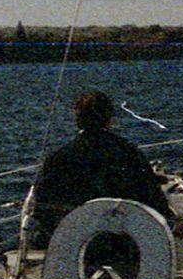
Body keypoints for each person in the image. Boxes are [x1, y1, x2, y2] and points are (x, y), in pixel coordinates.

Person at [28, 90, 169, 248]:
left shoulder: (58, 158)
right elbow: (153, 199)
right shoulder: (129, 153)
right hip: (125, 246)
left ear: (77, 119)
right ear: (109, 119)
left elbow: (43, 208)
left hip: (73, 246)